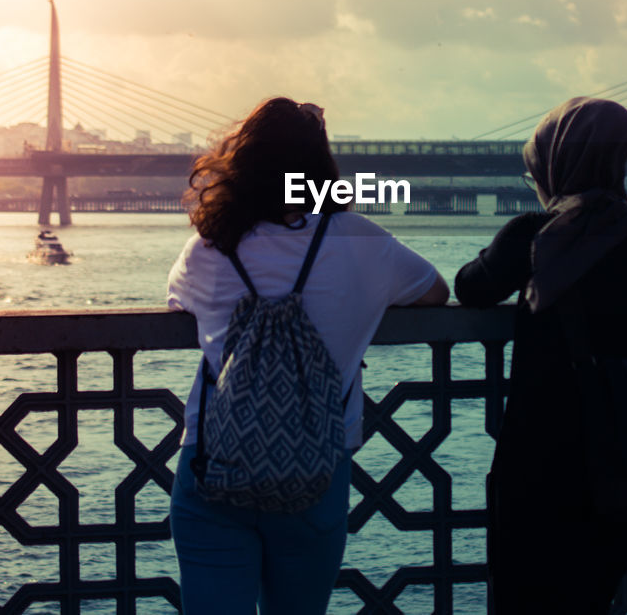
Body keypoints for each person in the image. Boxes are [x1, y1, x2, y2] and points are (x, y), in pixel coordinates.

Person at [454, 96, 627, 614]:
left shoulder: (531, 237)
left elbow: (471, 288)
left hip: (536, 463)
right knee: (588, 597)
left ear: (554, 162)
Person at [167, 97, 448, 615]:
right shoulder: (364, 242)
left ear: (241, 164)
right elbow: (435, 291)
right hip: (315, 470)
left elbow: (179, 302)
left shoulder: (207, 249)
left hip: (214, 466)